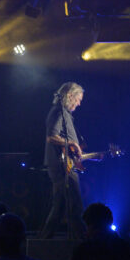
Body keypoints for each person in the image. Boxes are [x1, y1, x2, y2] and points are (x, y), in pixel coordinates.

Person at [40, 82, 86, 240]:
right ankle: (82, 241)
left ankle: (44, 240)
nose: (79, 104)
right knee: (76, 205)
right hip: (61, 166)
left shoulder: (65, 114)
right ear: (70, 96)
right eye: (78, 99)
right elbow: (51, 137)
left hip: (64, 164)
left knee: (59, 206)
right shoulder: (59, 112)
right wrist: (72, 143)